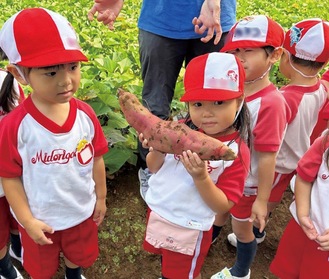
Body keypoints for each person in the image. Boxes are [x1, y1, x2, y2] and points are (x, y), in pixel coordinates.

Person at [0, 8, 108, 279]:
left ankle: (74, 275)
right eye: (50, 72)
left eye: (73, 66)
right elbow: (9, 178)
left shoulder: (85, 115)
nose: (66, 80)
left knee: (77, 256)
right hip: (39, 218)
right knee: (41, 269)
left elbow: (96, 158)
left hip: (81, 211)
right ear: (19, 73)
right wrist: (26, 221)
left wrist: (101, 198)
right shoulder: (14, 126)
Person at [87, 0, 237, 189]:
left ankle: (217, 174)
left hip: (215, 17)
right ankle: (152, 172)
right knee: (154, 108)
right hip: (160, 19)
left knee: (215, 103)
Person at [139, 52, 251, 279]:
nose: (207, 113)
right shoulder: (179, 129)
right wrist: (158, 149)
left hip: (190, 225)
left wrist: (201, 177)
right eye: (198, 103)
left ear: (239, 101)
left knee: (183, 272)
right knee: (167, 260)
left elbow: (222, 205)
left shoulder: (234, 153)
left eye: (219, 102)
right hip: (161, 211)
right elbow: (154, 168)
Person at [211, 15, 290, 279]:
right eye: (234, 50)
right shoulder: (233, 90)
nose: (239, 57)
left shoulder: (271, 104)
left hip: (248, 183)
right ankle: (208, 237)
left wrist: (262, 201)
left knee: (243, 229)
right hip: (226, 173)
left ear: (274, 55)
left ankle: (240, 271)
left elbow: (268, 157)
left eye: (248, 51)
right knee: (219, 210)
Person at [270, 132, 329, 279]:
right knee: (287, 272)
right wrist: (302, 214)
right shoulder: (325, 143)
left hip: (325, 248)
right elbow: (304, 177)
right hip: (303, 229)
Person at [0, 51, 25, 279]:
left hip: (11, 172)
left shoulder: (10, 82)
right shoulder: (9, 80)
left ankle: (9, 265)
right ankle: (12, 260)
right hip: (15, 171)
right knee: (15, 215)